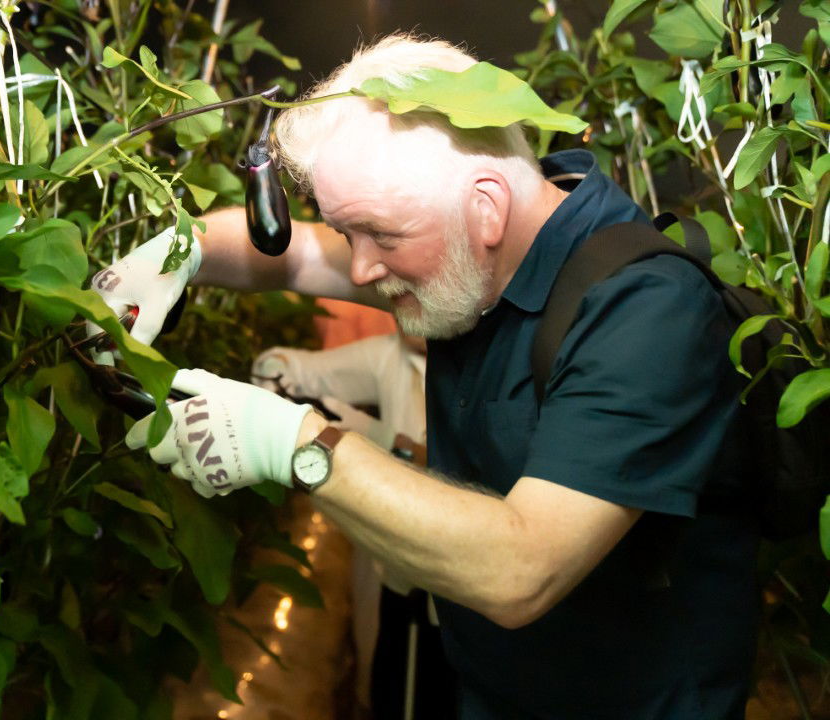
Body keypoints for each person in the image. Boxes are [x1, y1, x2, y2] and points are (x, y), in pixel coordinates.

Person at [99, 34, 759, 719]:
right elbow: (289, 258)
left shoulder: (645, 313)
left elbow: (521, 568)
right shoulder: (473, 266)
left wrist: (296, 442)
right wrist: (182, 250)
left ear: (487, 208)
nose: (358, 270)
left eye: (381, 236)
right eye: (349, 234)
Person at [252, 331, 456, 720]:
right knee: (392, 683)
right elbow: (284, 367)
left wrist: (386, 441)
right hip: (400, 573)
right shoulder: (390, 354)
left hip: (463, 589)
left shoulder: (494, 358)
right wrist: (276, 387)